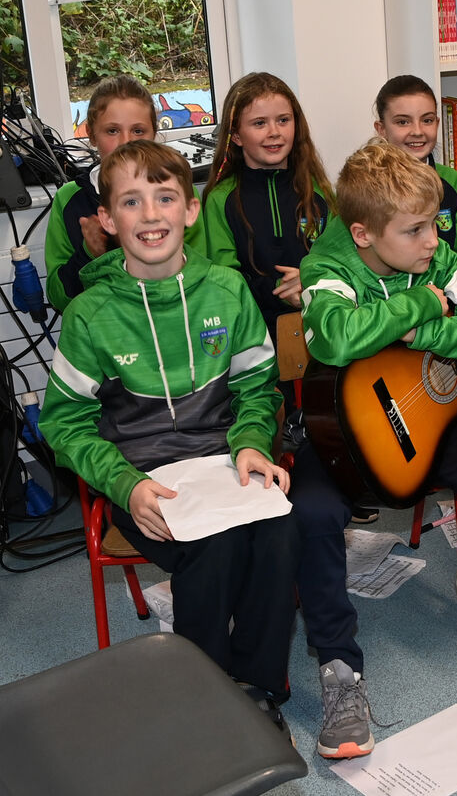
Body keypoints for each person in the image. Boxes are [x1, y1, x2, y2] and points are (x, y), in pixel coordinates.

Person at [40, 139, 299, 732]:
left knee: (281, 528)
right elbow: (64, 424)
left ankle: (258, 687)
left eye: (164, 197)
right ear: (108, 220)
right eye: (131, 201)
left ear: (191, 209)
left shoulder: (228, 290)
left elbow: (257, 387)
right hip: (142, 481)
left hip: (223, 462)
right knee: (214, 545)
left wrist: (251, 443)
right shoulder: (88, 315)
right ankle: (202, 697)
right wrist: (124, 486)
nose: (150, 214)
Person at [300, 141, 457, 664]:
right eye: (414, 230)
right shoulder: (326, 267)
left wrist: (425, 333)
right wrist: (420, 302)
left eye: (434, 224)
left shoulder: (437, 258)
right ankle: (335, 656)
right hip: (345, 431)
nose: (433, 241)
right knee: (311, 513)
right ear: (364, 234)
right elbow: (336, 340)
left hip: (428, 417)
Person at [44, 74, 206, 313]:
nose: (126, 142)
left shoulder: (179, 192)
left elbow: (201, 276)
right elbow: (59, 298)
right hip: (105, 328)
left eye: (138, 130)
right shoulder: (69, 200)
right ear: (91, 135)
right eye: (112, 131)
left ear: (154, 133)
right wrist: (88, 254)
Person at [203, 71, 334, 342]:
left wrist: (309, 279)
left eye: (283, 120)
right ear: (236, 136)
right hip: (253, 337)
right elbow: (224, 279)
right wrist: (279, 289)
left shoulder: (318, 192)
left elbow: (340, 259)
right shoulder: (221, 199)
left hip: (325, 326)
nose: (274, 132)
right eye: (259, 123)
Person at [374, 75, 457, 271]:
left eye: (427, 120)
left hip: (447, 286)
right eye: (403, 122)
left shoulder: (452, 181)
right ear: (382, 129)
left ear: (437, 123)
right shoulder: (366, 185)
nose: (417, 131)